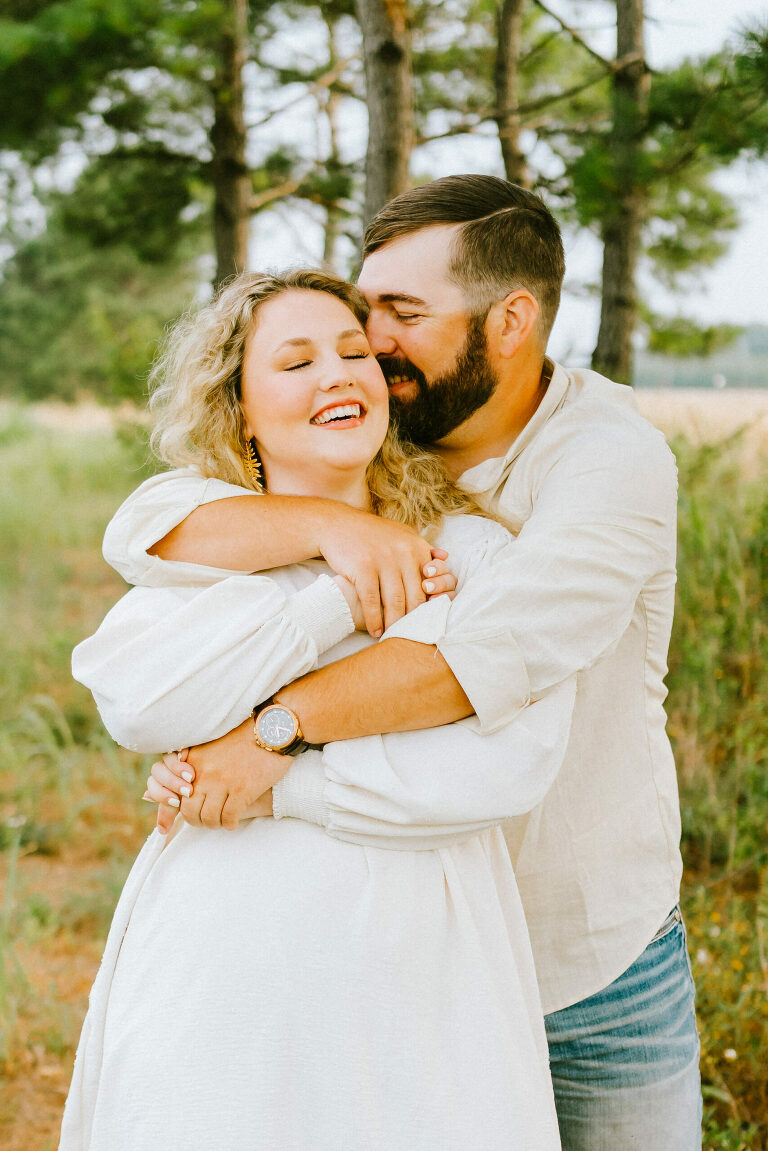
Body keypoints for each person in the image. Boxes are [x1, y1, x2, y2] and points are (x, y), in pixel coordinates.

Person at [103, 175, 702, 1150]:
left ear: (511, 321)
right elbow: (146, 524)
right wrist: (330, 526)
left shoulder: (604, 464)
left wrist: (266, 746)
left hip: (583, 948)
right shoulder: (391, 421)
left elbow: (469, 664)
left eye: (402, 314)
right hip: (407, 950)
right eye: (365, 313)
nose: (372, 344)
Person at [60, 269, 574, 1151]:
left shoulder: (471, 555)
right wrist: (337, 594)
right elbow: (139, 702)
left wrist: (276, 783)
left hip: (424, 960)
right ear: (241, 412)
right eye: (296, 362)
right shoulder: (205, 550)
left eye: (353, 353)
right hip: (224, 962)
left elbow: (510, 761)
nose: (336, 374)